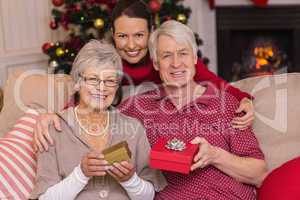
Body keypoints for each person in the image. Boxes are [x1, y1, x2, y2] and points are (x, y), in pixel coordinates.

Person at [33, 20, 267, 200]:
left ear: (195, 58)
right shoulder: (138, 108)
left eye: (183, 53)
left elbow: (259, 174)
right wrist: (52, 117)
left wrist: (216, 155)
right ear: (156, 63)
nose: (176, 63)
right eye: (166, 56)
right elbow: (95, 105)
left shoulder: (225, 105)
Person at [29, 40, 166, 200]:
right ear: (78, 83)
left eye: (109, 81)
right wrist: (81, 174)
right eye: (93, 79)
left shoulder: (133, 128)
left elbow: (149, 196)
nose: (102, 88)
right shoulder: (53, 129)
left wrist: (130, 180)